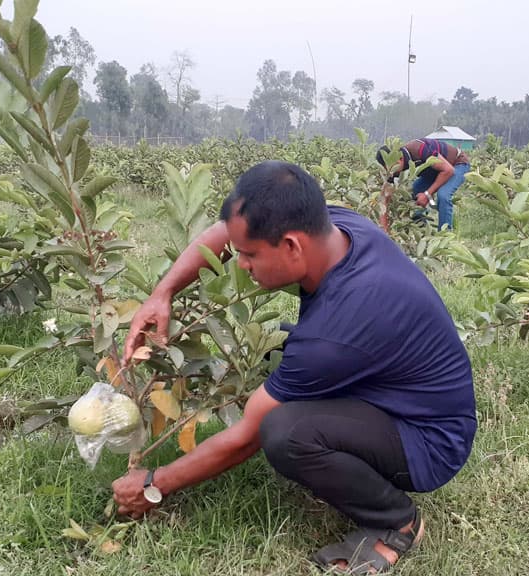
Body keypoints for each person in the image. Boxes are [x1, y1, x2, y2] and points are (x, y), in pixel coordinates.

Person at [112, 160, 476, 574]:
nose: (240, 264)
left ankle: (395, 521)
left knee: (284, 432)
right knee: (279, 357)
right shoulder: (334, 226)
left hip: (429, 440)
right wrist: (164, 293)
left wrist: (153, 485)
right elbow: (226, 233)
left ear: (291, 246)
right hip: (395, 391)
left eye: (249, 256)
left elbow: (246, 438)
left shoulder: (334, 334)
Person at [376, 138, 471, 231]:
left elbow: (449, 170)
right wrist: (384, 231)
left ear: (400, 159)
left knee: (443, 195)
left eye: (392, 167)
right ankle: (422, 230)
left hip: (456, 164)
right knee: (412, 194)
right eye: (387, 169)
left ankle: (445, 235)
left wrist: (427, 194)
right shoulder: (391, 170)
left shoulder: (419, 149)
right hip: (434, 172)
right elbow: (384, 200)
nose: (391, 172)